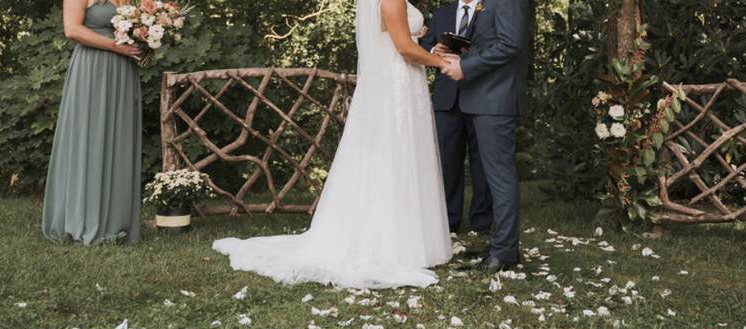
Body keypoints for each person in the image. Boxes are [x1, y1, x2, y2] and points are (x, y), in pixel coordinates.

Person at [214, 0, 453, 289]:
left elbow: (398, 42)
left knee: (398, 158)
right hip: (395, 87)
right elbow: (403, 48)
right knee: (394, 158)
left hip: (397, 83)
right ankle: (394, 245)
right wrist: (442, 62)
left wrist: (427, 50)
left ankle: (407, 239)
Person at [43, 0, 143, 245]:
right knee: (88, 137)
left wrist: (147, 41)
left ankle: (115, 222)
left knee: (118, 140)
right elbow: (72, 30)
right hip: (92, 68)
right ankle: (81, 220)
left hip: (123, 70)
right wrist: (115, 46)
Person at [441, 0, 530, 274]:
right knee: (496, 177)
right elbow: (486, 42)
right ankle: (503, 246)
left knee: (500, 177)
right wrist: (459, 55)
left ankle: (504, 253)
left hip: (496, 100)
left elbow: (509, 44)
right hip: (484, 98)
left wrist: (466, 68)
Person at [420, 1, 493, 235]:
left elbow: (497, 48)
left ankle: (481, 222)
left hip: (481, 95)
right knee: (447, 161)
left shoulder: (491, 9)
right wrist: (434, 51)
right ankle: (449, 220)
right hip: (446, 98)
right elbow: (425, 46)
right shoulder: (442, 13)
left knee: (482, 162)